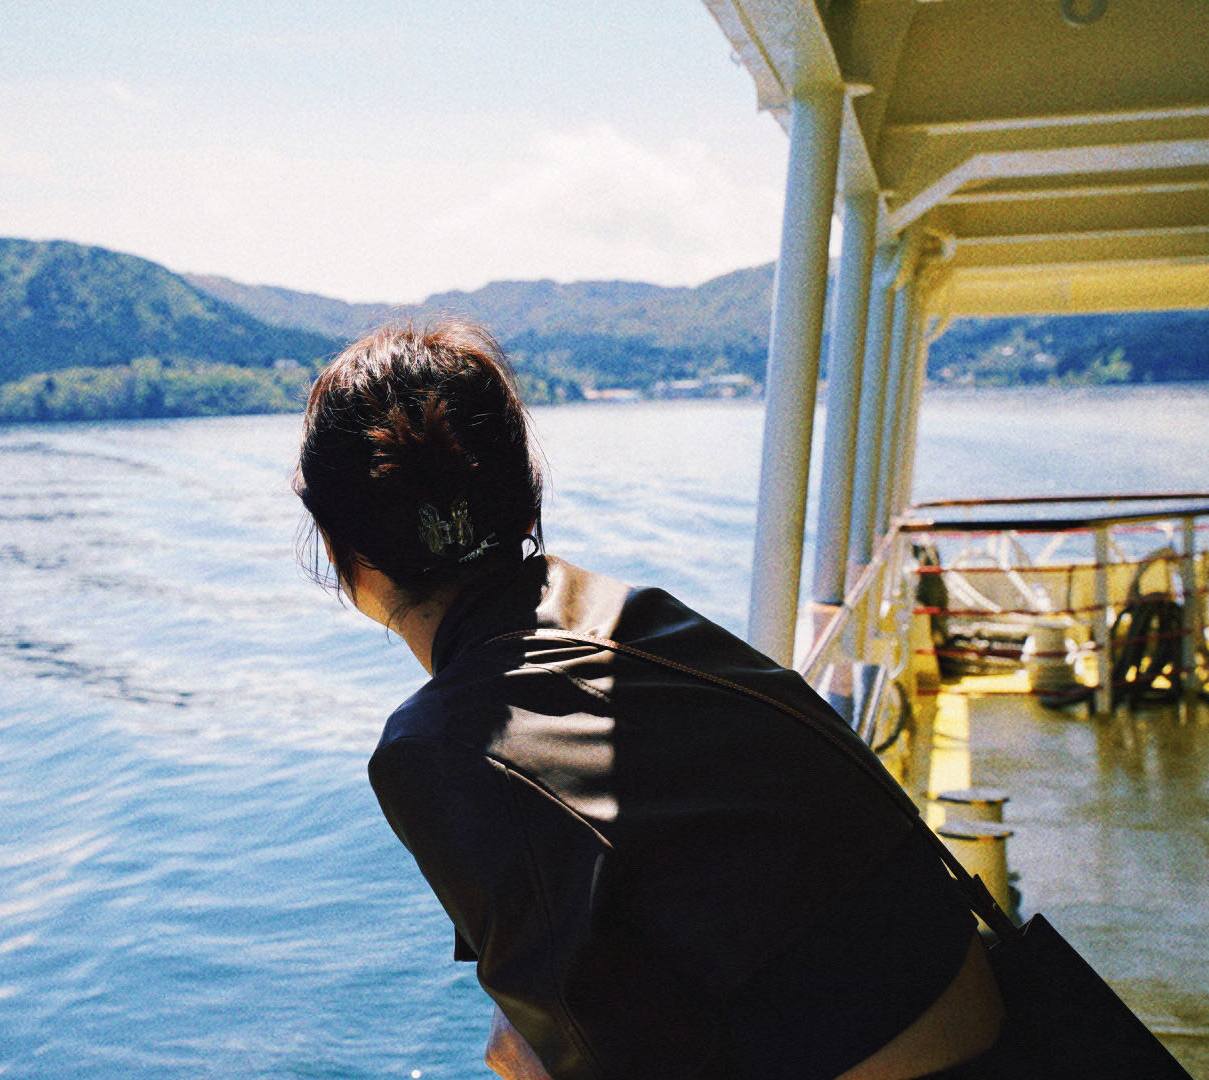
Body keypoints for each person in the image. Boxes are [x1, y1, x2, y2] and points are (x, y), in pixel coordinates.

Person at [294, 321, 1010, 1080]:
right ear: (525, 506)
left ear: (341, 553)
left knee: (514, 1053)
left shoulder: (435, 745)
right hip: (996, 1018)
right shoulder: (633, 615)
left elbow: (608, 1056)